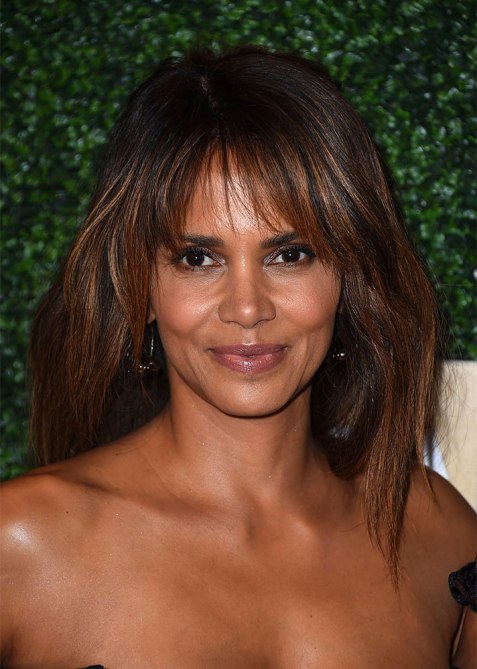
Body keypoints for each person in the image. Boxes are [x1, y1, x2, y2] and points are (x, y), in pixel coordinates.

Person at [0, 46, 475, 669]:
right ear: (139, 285)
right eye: (198, 258)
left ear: (350, 277)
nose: (247, 308)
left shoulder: (439, 535)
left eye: (291, 254)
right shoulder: (20, 547)